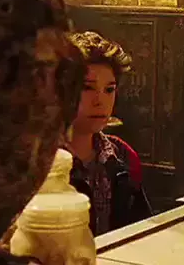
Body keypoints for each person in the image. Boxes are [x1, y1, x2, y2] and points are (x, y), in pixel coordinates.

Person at [64, 31, 152, 236]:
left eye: (109, 90)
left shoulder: (122, 156)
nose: (100, 101)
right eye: (88, 88)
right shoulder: (41, 162)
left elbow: (142, 230)